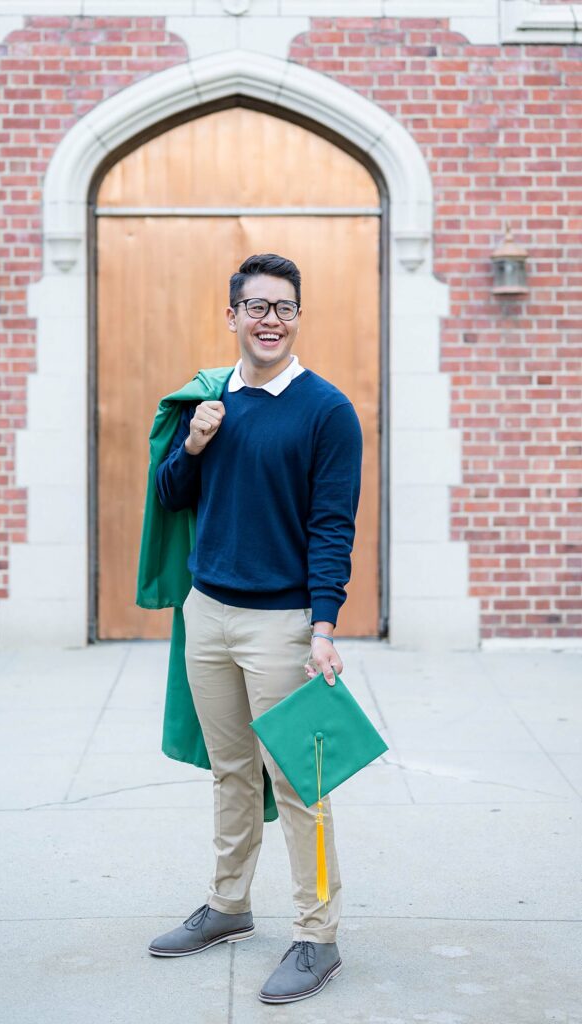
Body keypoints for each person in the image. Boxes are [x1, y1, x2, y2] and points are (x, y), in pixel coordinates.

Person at [147, 253, 363, 1005]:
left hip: (281, 624)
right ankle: (229, 906)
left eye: (284, 307)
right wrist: (194, 443)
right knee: (231, 772)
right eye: (257, 306)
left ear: (297, 318)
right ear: (231, 314)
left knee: (301, 784)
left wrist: (323, 625)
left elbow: (332, 526)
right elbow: (172, 494)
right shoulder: (210, 401)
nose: (270, 319)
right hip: (207, 614)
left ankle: (317, 936)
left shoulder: (326, 410)